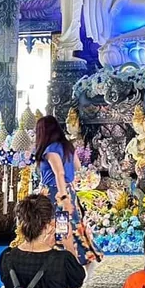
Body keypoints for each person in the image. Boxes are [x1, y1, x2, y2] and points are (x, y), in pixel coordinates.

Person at [34, 114, 101, 269]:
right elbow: (77, 166)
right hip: (68, 191)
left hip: (55, 194)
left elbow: (59, 174)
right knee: (74, 226)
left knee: (60, 229)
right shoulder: (67, 147)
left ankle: (72, 264)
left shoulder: (50, 151)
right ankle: (85, 258)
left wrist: (63, 198)